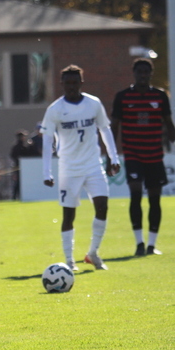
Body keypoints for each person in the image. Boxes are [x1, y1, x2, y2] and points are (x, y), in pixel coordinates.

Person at [41, 64, 120, 271]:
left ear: (81, 83)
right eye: (67, 83)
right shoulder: (55, 110)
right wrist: (46, 172)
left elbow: (105, 129)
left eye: (75, 82)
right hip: (69, 169)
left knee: (102, 206)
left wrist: (113, 157)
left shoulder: (93, 104)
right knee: (69, 215)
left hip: (93, 165)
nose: (71, 86)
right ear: (62, 84)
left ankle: (93, 253)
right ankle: (69, 260)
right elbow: (47, 141)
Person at [111, 58, 175, 257]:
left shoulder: (160, 96)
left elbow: (169, 124)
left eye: (146, 72)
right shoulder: (122, 97)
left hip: (154, 156)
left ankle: (152, 245)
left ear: (150, 74)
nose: (143, 75)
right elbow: (115, 127)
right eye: (139, 72)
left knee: (155, 200)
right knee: (135, 195)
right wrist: (111, 154)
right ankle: (139, 243)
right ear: (134, 73)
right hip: (133, 155)